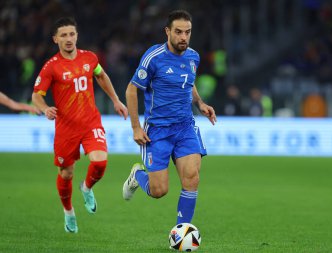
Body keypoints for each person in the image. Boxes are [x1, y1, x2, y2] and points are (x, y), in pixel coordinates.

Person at [32, 17, 128, 233]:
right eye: (63, 35)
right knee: (66, 174)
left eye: (72, 34)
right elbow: (36, 96)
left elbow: (101, 76)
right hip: (66, 129)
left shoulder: (90, 58)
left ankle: (86, 188)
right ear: (55, 39)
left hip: (90, 121)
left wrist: (115, 100)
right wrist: (45, 107)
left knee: (100, 163)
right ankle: (68, 212)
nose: (68, 39)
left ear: (77, 36)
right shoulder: (51, 67)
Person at [123, 10, 216, 227]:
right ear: (167, 32)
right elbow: (130, 90)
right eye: (178, 32)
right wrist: (136, 128)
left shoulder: (194, 57)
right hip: (158, 130)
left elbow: (188, 82)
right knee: (159, 191)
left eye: (187, 32)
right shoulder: (154, 57)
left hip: (185, 127)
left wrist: (200, 103)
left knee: (192, 178)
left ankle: (181, 232)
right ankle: (138, 175)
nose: (183, 37)